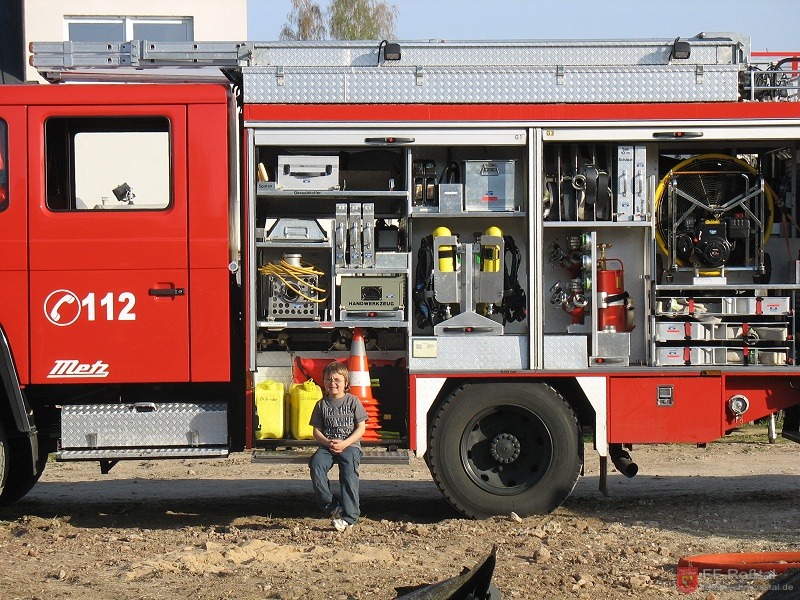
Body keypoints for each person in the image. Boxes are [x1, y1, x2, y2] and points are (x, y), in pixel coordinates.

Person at [308, 360, 368, 532]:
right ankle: (332, 507)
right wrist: (327, 442)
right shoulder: (321, 405)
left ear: (346, 383)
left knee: (348, 474)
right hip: (328, 446)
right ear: (324, 382)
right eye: (328, 380)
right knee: (316, 466)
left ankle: (350, 517)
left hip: (350, 445)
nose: (332, 383)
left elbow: (361, 428)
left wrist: (345, 443)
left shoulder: (353, 401)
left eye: (337, 380)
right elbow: (316, 431)